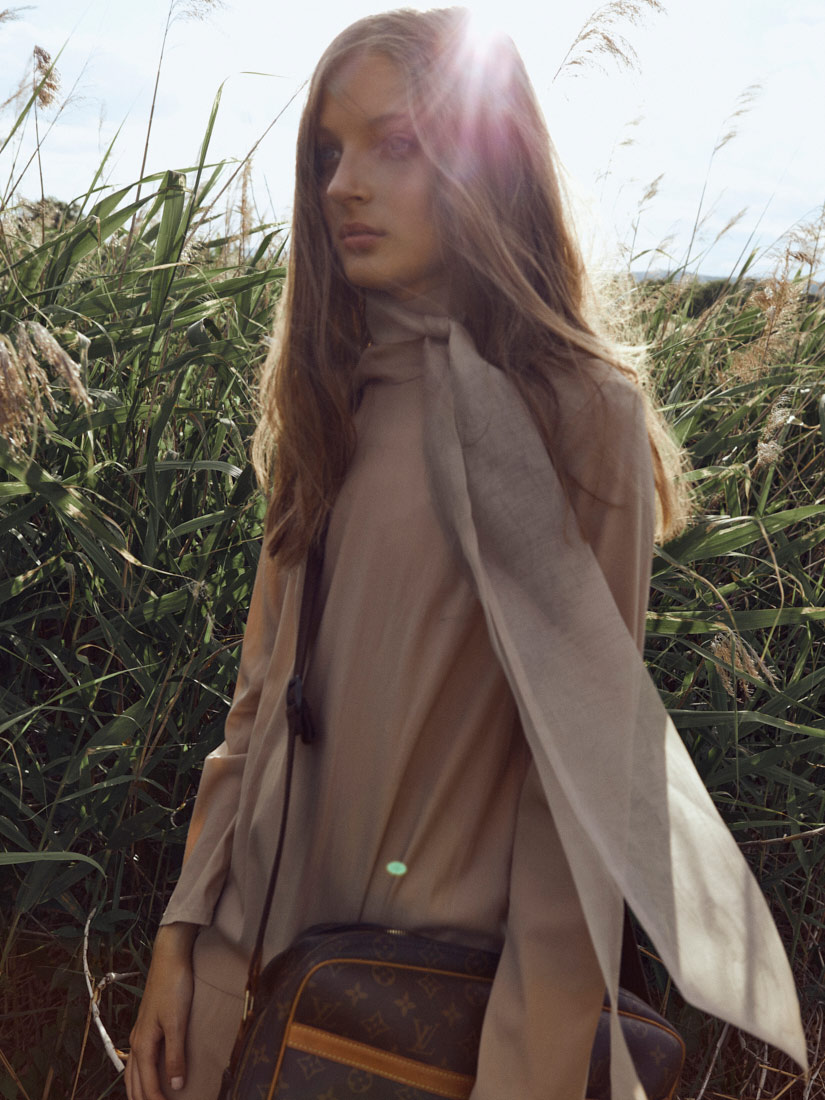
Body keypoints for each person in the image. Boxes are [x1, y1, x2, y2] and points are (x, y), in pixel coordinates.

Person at [125, 9, 807, 1100]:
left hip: (414, 1022)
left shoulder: (575, 415)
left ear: (489, 164)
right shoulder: (327, 394)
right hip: (240, 980)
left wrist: (527, 1070)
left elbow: (577, 798)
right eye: (328, 151)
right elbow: (254, 707)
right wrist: (181, 933)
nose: (344, 184)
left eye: (394, 144)